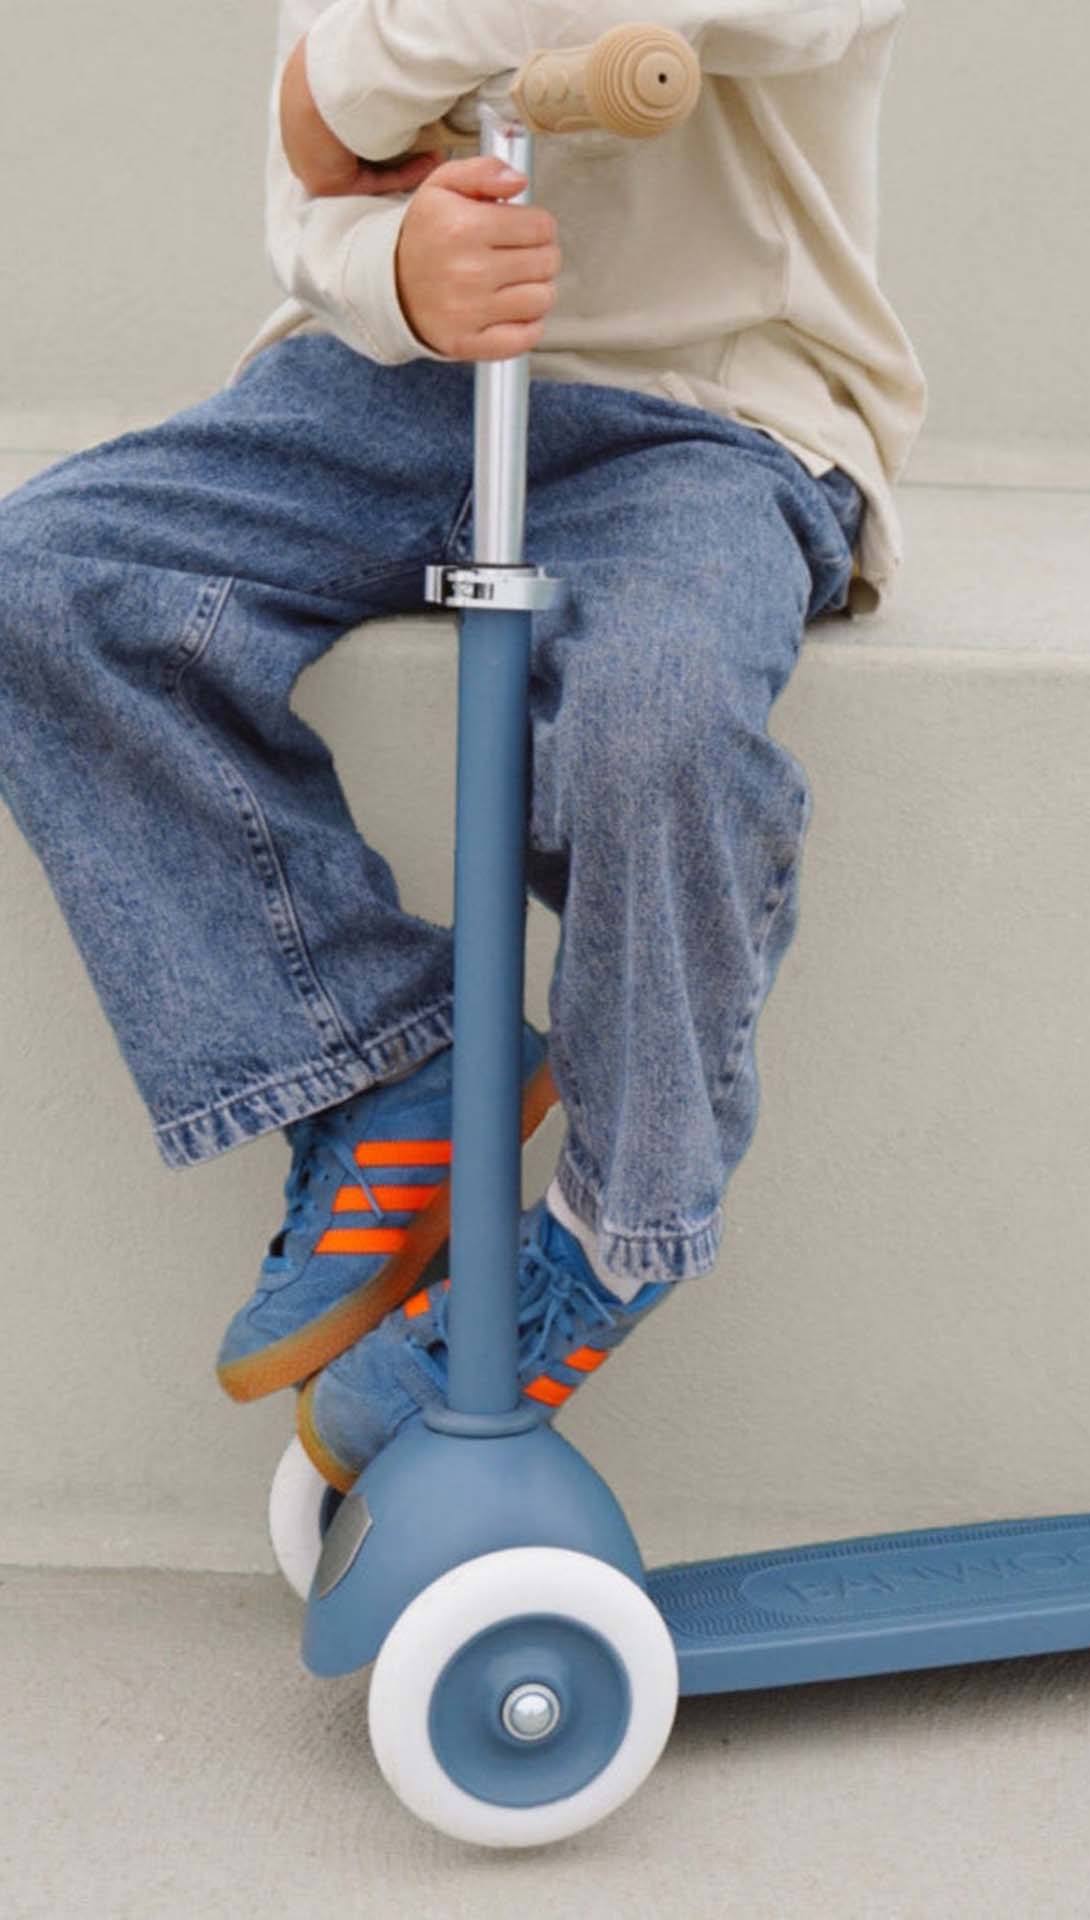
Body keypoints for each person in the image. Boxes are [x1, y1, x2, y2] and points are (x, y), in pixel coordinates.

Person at [0, 0, 926, 1493]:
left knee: (658, 718)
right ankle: (387, 1062)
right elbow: (310, 207)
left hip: (706, 418)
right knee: (43, 583)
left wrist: (342, 86)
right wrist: (397, 271)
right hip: (388, 389)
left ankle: (614, 1232)